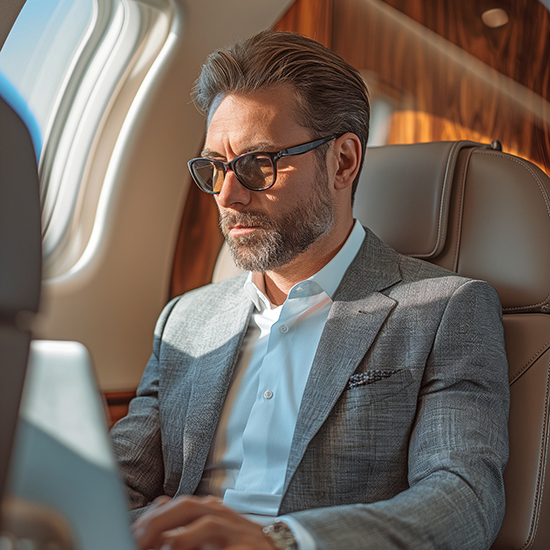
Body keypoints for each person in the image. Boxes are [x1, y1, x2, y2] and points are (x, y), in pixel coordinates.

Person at [111, 30, 510, 550]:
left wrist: (281, 541)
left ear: (343, 161)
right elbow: (117, 482)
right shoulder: (184, 320)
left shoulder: (445, 309)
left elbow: (463, 499)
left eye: (258, 164)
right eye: (215, 168)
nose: (228, 196)